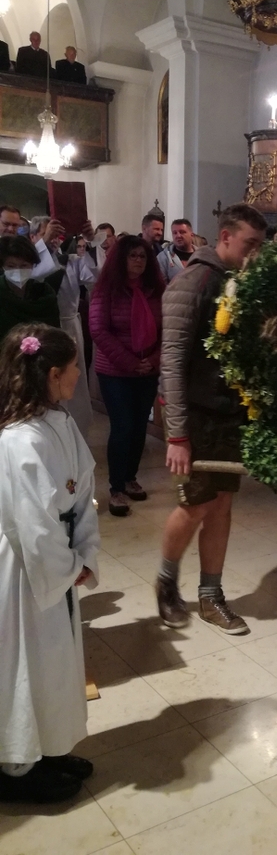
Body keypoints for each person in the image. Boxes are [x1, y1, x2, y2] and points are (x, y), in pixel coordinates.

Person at [0, 324, 100, 803]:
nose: (81, 373)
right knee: (28, 661)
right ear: (53, 373)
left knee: (56, 660)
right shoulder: (19, 440)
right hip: (26, 568)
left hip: (58, 555)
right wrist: (70, 566)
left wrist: (85, 552)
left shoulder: (59, 422)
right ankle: (16, 765)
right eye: (76, 366)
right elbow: (34, 524)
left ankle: (51, 746)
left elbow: (83, 490)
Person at [158, 203, 267, 632]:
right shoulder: (194, 281)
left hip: (227, 413)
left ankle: (210, 596)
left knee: (221, 505)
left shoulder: (234, 280)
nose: (255, 252)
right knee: (194, 506)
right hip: (197, 417)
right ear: (225, 237)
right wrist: (177, 436)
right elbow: (172, 361)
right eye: (250, 244)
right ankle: (167, 585)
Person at [89, 236, 164, 516]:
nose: (138, 261)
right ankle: (116, 488)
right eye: (133, 256)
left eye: (142, 256)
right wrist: (132, 363)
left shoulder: (155, 289)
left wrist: (151, 361)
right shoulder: (106, 289)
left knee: (138, 427)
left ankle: (131, 477)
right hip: (116, 371)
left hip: (147, 369)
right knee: (122, 427)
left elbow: (167, 328)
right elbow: (99, 331)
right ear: (121, 259)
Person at [29, 216, 103, 438]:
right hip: (41, 330)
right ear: (33, 237)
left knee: (73, 383)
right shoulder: (27, 262)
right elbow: (33, 278)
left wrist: (92, 241)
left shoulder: (70, 260)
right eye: (47, 233)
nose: (53, 239)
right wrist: (43, 245)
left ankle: (75, 433)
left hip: (69, 327)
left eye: (56, 234)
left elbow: (96, 276)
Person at [0, 235, 60, 341]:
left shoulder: (45, 293)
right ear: (2, 266)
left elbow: (54, 334)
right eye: (11, 266)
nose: (18, 270)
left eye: (24, 266)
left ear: (33, 265)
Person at [157, 218, 195, 282]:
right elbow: (161, 284)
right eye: (175, 233)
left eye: (182, 232)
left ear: (192, 235)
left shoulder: (201, 256)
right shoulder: (163, 258)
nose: (178, 236)